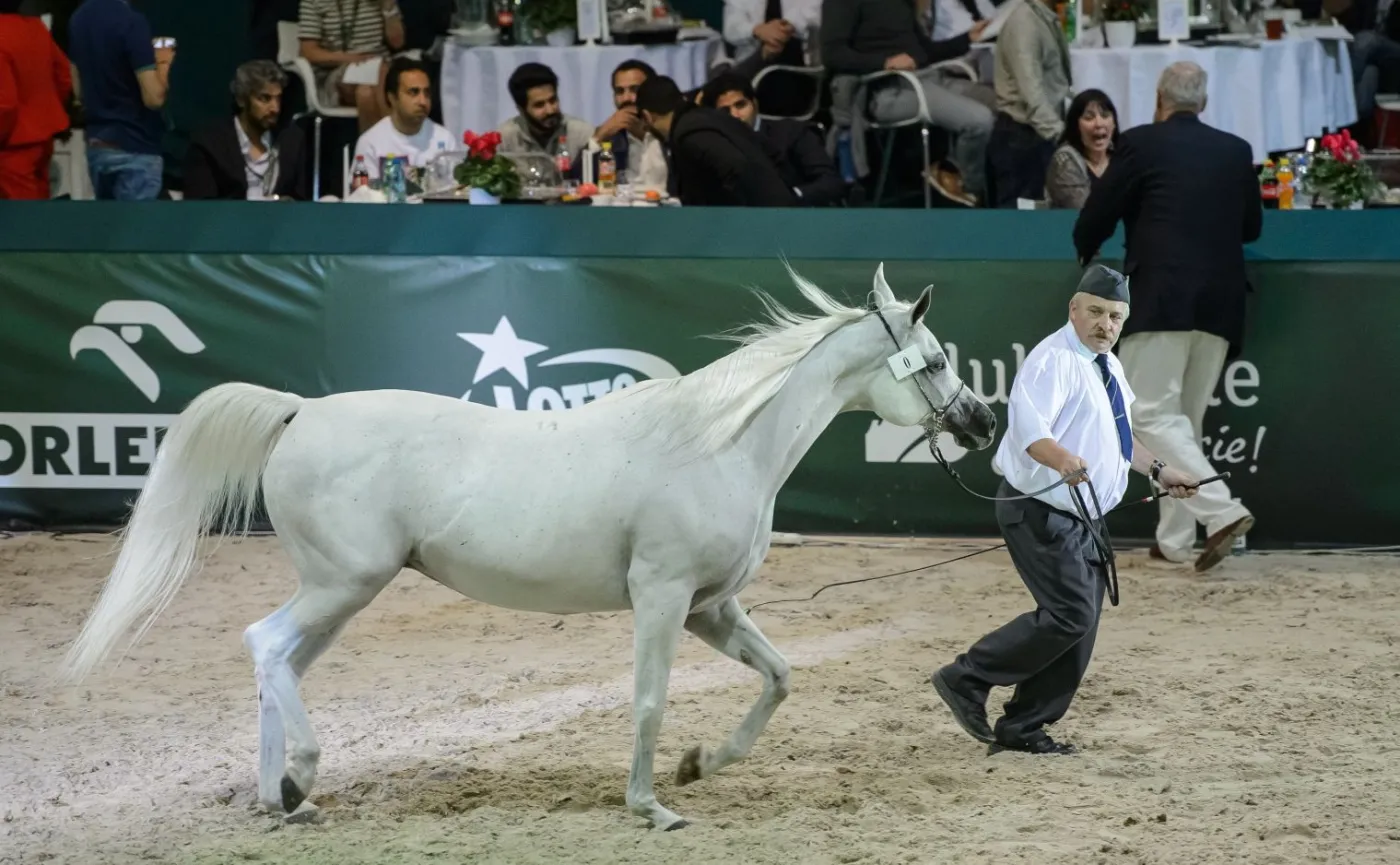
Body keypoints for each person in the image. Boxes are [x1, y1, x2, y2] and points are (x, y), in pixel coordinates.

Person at [931, 265, 1200, 756]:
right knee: (1071, 613)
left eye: (1116, 317)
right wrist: (1063, 459)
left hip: (1083, 513)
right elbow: (1030, 431)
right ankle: (966, 677)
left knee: (1080, 624)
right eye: (1096, 312)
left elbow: (1119, 438)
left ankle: (1023, 727)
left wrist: (1159, 469)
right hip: (1039, 508)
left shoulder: (1108, 365)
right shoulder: (1054, 359)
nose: (1106, 324)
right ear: (1073, 309)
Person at [1073, 61, 1261, 572]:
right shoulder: (1236, 150)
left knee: (1144, 415)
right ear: (1203, 103)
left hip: (1161, 296)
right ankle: (1175, 540)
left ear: (1160, 100)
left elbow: (1102, 206)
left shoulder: (1140, 143)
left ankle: (1221, 510)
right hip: (1221, 303)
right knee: (1182, 424)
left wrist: (1084, 246)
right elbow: (1252, 227)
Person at [821, 0, 995, 205]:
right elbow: (832, 54)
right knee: (979, 120)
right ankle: (969, 189)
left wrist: (967, 38)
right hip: (887, 89)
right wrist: (884, 62)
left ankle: (956, 172)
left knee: (1007, 106)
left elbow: (923, 52)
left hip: (927, 77)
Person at [635, 74, 797, 207]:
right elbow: (769, 151)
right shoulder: (712, 118)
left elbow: (735, 167)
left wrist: (729, 217)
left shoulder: (689, 133)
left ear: (647, 116)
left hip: (760, 224)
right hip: (778, 211)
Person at [67, 0, 173, 200]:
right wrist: (163, 62)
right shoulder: (132, 22)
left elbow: (78, 91)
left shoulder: (78, 18)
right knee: (138, 230)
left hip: (97, 147)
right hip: (135, 147)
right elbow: (154, 99)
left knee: (110, 228)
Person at [700, 71, 845, 206]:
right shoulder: (713, 145)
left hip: (797, 218)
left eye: (741, 105)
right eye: (725, 111)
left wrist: (791, 196)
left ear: (754, 104)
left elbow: (830, 182)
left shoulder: (792, 132)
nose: (736, 115)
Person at [183, 60, 311, 200]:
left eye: (278, 98)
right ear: (241, 100)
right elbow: (200, 207)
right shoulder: (209, 143)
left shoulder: (291, 140)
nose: (275, 108)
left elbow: (301, 200)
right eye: (265, 99)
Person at [985, 0, 1070, 208]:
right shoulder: (1024, 24)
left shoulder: (1043, 17)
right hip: (1022, 143)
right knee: (1017, 229)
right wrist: (1067, 140)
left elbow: (1055, 83)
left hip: (1038, 136)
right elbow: (1033, 97)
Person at [0, 0, 72, 199]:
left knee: (21, 221)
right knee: (40, 214)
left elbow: (4, 105)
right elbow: (64, 76)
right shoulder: (36, 27)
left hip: (11, 146)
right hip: (43, 139)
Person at [298, 0, 404, 132]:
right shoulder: (314, 2)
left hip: (381, 70)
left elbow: (397, 43)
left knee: (365, 93)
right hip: (336, 72)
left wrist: (389, 8)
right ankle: (397, 141)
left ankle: (370, 151)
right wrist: (349, 58)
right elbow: (308, 52)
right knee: (379, 70)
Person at [352, 57, 455, 183]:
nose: (423, 101)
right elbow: (362, 196)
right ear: (392, 98)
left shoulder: (445, 139)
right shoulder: (370, 143)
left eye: (427, 93)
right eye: (413, 92)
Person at [586, 59, 668, 188]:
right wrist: (597, 139)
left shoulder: (669, 132)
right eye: (619, 91)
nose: (626, 98)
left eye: (634, 89)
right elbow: (579, 183)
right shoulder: (611, 138)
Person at [496, 62, 594, 165]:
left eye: (553, 100)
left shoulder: (581, 133)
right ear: (521, 109)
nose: (550, 110)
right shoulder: (505, 138)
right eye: (539, 105)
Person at [1044, 89, 1119, 210]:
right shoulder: (1065, 161)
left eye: (1105, 116)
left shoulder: (1123, 158)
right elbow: (1084, 211)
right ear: (1076, 126)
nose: (1099, 123)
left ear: (1114, 124)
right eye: (1089, 118)